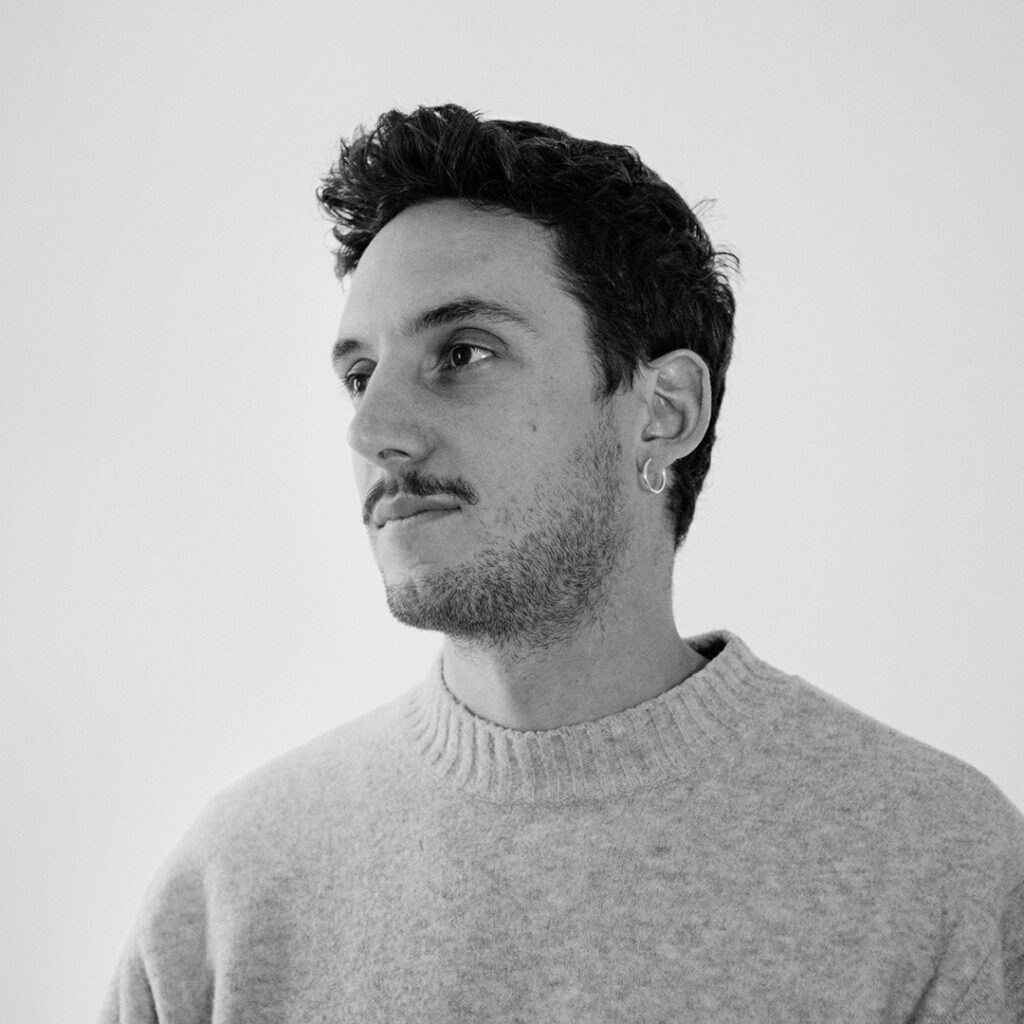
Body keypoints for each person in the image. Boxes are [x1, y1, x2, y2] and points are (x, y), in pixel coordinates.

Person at [99, 104, 1024, 1023]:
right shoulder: (232, 887)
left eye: (462, 353)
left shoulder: (936, 868)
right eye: (358, 376)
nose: (372, 430)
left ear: (663, 410)